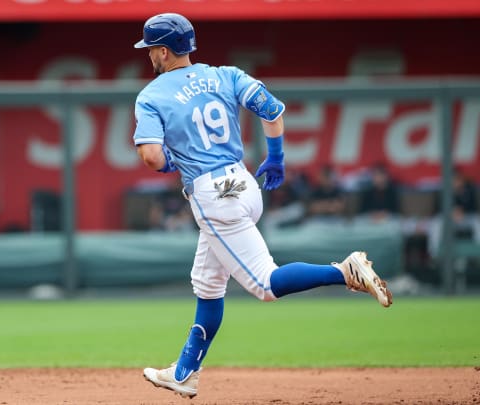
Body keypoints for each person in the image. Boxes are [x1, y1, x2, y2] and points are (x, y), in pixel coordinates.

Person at [131, 13, 393, 399]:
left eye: (151, 48)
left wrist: (171, 161)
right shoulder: (225, 74)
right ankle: (185, 372)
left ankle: (344, 271)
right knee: (207, 284)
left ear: (164, 51)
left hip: (212, 195)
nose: (149, 55)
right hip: (244, 183)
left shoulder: (152, 95)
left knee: (265, 284)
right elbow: (272, 111)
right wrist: (276, 157)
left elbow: (152, 157)